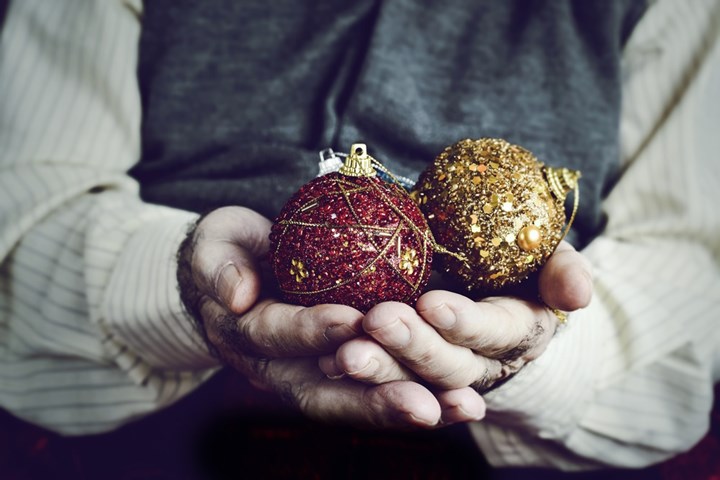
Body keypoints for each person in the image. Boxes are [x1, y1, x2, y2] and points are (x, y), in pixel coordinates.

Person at [0, 0, 718, 473]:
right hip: (137, 446)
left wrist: (540, 349)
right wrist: (180, 283)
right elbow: (25, 205)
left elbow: (690, 286)